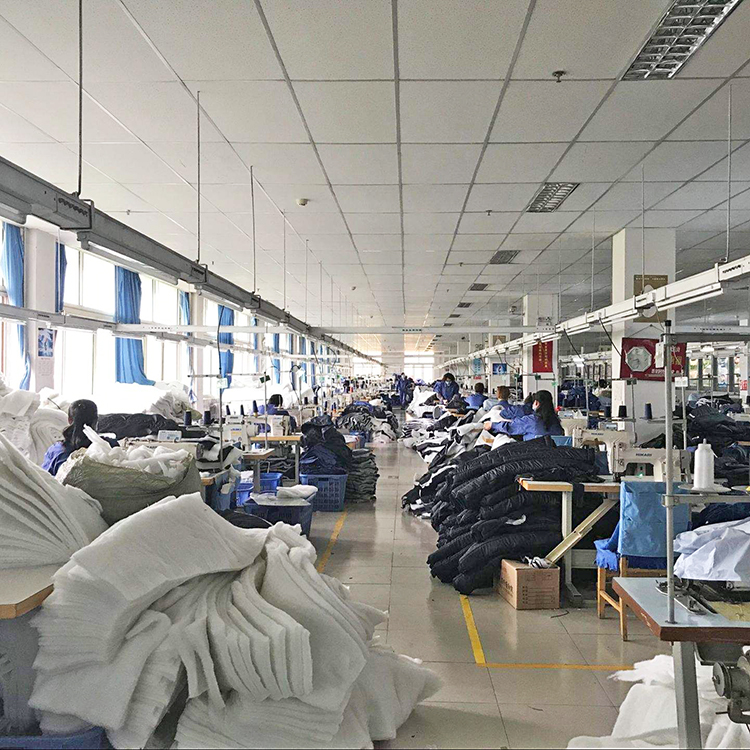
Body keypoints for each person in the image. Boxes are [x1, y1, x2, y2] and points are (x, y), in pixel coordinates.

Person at [42, 399, 117, 477]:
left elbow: (45, 479)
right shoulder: (109, 446)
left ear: (69, 420)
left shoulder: (56, 450)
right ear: (96, 420)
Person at [484, 390, 563, 441]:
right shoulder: (556, 420)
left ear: (536, 403)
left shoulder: (532, 420)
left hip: (533, 454)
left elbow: (510, 427)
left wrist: (492, 425)